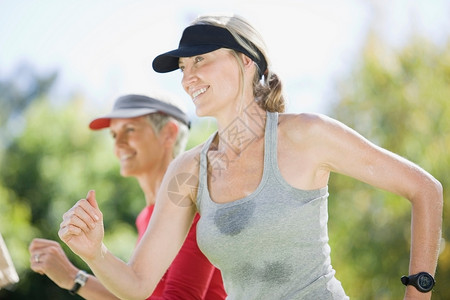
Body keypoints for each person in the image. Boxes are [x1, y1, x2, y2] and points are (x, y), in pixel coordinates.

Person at [58, 14, 443, 300]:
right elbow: (139, 284)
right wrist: (96, 252)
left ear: (246, 61)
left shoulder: (306, 135)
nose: (187, 76)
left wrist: (418, 290)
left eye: (200, 60)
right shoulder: (187, 171)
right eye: (183, 67)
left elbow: (425, 189)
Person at [30, 94, 226, 299]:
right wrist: (73, 278)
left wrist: (76, 276)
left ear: (168, 133)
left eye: (130, 130)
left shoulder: (191, 207)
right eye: (114, 135)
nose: (119, 144)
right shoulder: (145, 217)